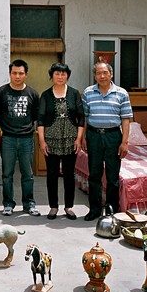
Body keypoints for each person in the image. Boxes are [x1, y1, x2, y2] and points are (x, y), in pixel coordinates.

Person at [80, 60, 132, 221]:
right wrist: (83, 138)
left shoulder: (122, 93)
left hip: (113, 137)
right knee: (94, 174)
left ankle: (111, 210)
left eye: (105, 73)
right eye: (98, 73)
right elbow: (85, 118)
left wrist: (124, 142)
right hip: (94, 136)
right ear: (94, 76)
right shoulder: (88, 93)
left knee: (112, 176)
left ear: (111, 74)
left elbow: (126, 119)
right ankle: (94, 209)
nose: (102, 76)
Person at [36, 62, 86, 220]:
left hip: (71, 140)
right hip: (51, 140)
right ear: (52, 76)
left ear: (67, 76)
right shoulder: (45, 95)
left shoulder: (74, 94)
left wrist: (79, 139)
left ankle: (69, 207)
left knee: (69, 174)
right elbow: (41, 119)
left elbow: (81, 117)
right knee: (51, 174)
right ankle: (53, 207)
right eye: (57, 74)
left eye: (63, 74)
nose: (60, 77)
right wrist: (42, 141)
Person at [0, 59, 41, 216]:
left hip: (27, 138)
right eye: (14, 73)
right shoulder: (1, 93)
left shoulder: (32, 94)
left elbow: (35, 116)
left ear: (26, 74)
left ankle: (29, 203)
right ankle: (8, 204)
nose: (17, 76)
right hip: (8, 139)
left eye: (21, 73)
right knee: (7, 174)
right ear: (10, 74)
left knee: (27, 174)